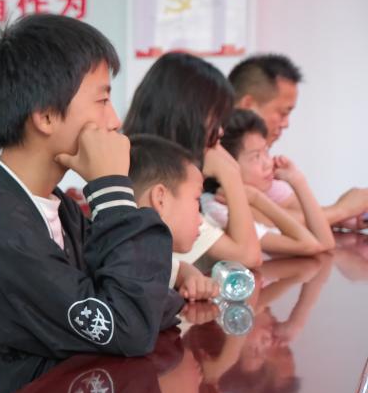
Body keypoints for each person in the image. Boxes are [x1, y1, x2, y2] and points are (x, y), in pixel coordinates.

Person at [0, 14, 182, 393]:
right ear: (46, 116)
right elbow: (130, 325)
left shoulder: (56, 206)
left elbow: (147, 303)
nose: (114, 121)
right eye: (102, 100)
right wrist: (111, 188)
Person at [123, 51, 262, 269]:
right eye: (215, 120)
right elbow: (248, 257)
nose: (220, 131)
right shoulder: (160, 182)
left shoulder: (134, 163)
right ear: (186, 116)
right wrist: (231, 174)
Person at [230, 53, 368, 228]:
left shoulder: (261, 166)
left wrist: (346, 217)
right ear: (248, 105)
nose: (286, 124)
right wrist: (342, 210)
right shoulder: (217, 158)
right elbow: (264, 222)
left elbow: (298, 213)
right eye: (283, 113)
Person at [203, 109, 334, 257]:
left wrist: (298, 181)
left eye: (266, 151)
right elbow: (312, 245)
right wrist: (257, 199)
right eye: (256, 156)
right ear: (226, 161)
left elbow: (326, 242)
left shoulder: (263, 189)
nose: (268, 163)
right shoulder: (216, 206)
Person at [128, 134, 218, 301]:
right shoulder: (124, 272)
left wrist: (190, 276)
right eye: (197, 199)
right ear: (160, 199)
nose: (200, 219)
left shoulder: (143, 259)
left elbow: (177, 269)